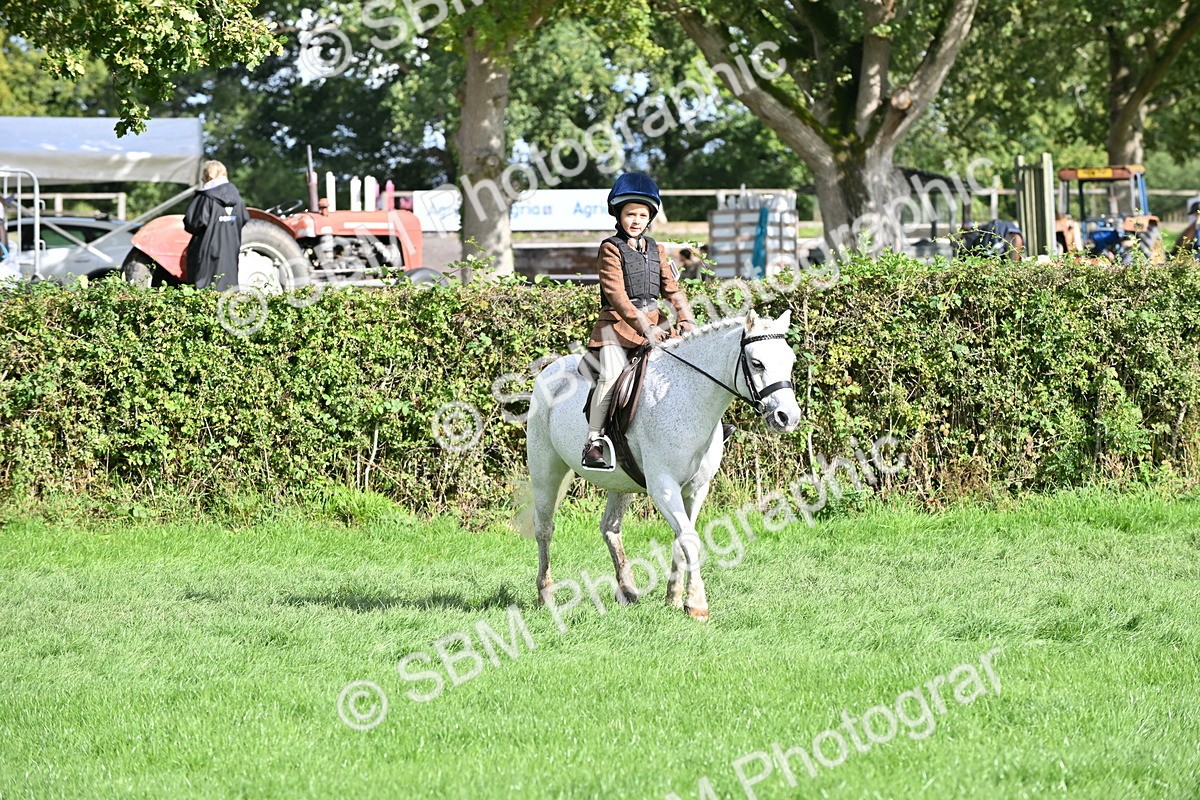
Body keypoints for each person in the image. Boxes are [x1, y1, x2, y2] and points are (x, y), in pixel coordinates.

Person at [582, 173, 696, 469]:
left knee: (688, 366)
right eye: (630, 213)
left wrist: (685, 317)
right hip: (616, 329)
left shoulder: (656, 249)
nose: (636, 219)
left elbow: (671, 288)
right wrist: (644, 326)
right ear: (618, 215)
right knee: (610, 374)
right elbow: (616, 295)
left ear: (650, 218)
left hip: (656, 327)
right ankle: (593, 441)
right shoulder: (610, 248)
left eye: (642, 215)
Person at [183, 160, 248, 290]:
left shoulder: (205, 198)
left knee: (205, 291)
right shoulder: (238, 200)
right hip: (230, 254)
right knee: (228, 289)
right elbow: (244, 219)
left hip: (206, 254)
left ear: (207, 175)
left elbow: (192, 224)